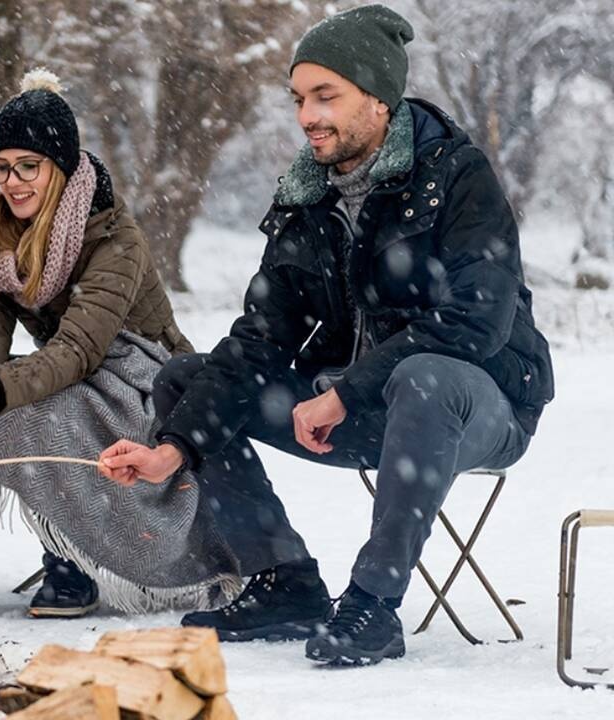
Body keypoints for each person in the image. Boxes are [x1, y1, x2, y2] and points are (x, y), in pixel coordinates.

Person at [99, 4, 553, 666]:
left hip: (476, 406)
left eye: (326, 95)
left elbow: (474, 322)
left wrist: (346, 392)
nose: (308, 115)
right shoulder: (306, 197)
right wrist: (174, 447)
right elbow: (259, 337)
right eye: (299, 98)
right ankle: (284, 580)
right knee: (186, 380)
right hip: (359, 410)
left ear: (377, 97)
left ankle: (373, 604)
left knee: (423, 376)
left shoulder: (457, 177)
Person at [0, 70, 240, 628]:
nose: (12, 182)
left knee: (47, 411)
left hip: (145, 376)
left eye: (28, 166)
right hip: (70, 367)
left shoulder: (114, 238)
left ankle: (74, 561)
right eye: (1, 167)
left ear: (58, 168)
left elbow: (81, 348)